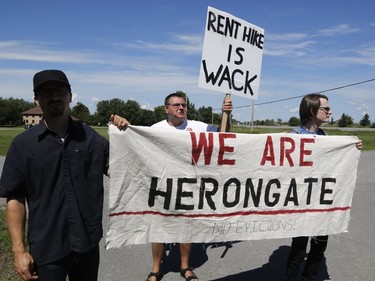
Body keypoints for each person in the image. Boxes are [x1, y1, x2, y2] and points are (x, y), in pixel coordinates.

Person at [0, 70, 118, 281]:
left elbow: (121, 170)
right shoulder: (23, 145)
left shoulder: (90, 137)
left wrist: (125, 137)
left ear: (70, 95)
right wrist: (18, 251)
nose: (54, 97)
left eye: (60, 91)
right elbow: (15, 199)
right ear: (36, 99)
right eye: (46, 93)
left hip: (87, 243)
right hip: (47, 247)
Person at [111, 92, 233, 281]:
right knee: (158, 228)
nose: (181, 108)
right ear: (166, 108)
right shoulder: (155, 129)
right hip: (162, 189)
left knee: (186, 229)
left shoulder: (197, 127)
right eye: (176, 105)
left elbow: (223, 136)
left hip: (189, 187)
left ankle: (185, 267)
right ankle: (155, 269)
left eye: (183, 105)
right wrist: (123, 128)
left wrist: (226, 114)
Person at [284, 93, 362, 281]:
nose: (330, 111)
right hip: (301, 202)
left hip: (321, 202)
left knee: (319, 247)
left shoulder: (324, 137)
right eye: (325, 109)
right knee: (299, 248)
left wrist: (352, 147)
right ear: (312, 111)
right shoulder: (293, 137)